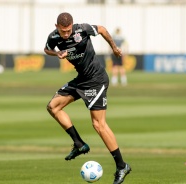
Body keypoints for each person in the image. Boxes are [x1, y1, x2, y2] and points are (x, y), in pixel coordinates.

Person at [44, 12, 131, 184]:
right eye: (63, 31)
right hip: (81, 80)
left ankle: (122, 166)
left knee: (98, 125)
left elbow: (102, 30)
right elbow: (47, 49)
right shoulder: (54, 37)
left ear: (72, 26)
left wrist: (113, 47)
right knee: (53, 106)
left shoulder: (82, 30)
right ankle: (79, 144)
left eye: (68, 30)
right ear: (57, 27)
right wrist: (57, 54)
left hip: (96, 80)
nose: (67, 34)